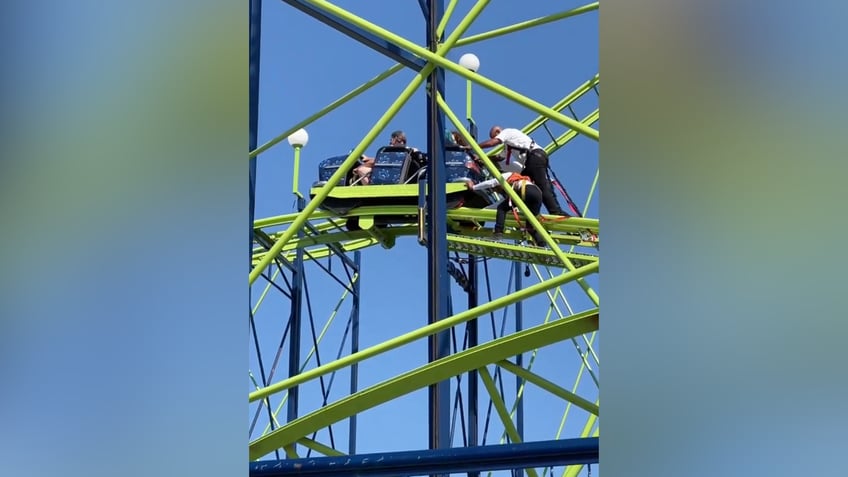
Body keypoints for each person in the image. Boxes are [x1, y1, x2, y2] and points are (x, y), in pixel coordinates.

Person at [476, 126, 566, 215]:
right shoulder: (509, 145)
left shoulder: (507, 131)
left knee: (541, 185)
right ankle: (528, 211)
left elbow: (493, 143)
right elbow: (499, 158)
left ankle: (555, 211)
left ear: (498, 131)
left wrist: (474, 146)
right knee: (525, 187)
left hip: (534, 157)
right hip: (532, 160)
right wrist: (483, 159)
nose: (496, 139)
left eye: (495, 136)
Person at [465, 169, 546, 245]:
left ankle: (498, 234)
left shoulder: (508, 175)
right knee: (530, 225)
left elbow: (492, 182)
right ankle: (542, 245)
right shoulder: (514, 186)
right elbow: (497, 206)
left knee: (502, 208)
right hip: (537, 194)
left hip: (526, 190)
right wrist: (482, 212)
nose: (496, 191)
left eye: (495, 189)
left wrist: (474, 187)